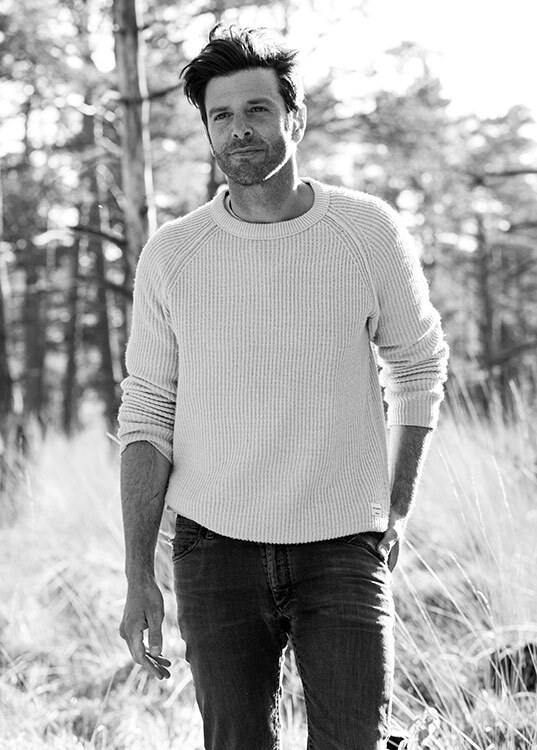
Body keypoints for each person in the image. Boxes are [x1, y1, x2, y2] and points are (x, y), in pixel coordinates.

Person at [117, 23, 449, 750]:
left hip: (343, 545)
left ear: (294, 118)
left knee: (355, 741)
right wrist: (138, 573)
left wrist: (395, 505)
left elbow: (419, 365)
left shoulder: (367, 232)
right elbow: (146, 411)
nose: (239, 129)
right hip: (213, 550)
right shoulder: (173, 254)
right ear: (208, 130)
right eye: (221, 116)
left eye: (257, 110)